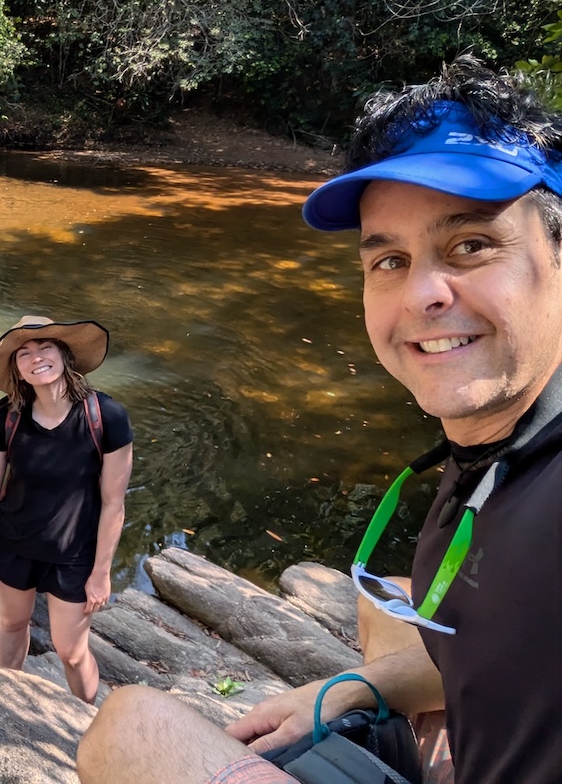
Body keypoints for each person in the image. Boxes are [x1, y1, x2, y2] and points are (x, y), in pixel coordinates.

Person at [76, 57, 562, 784]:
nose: (425, 291)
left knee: (131, 728)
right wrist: (350, 690)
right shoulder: (487, 458)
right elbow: (483, 638)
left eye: (472, 244)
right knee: (390, 601)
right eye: (389, 259)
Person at [0, 314, 134, 703]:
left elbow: (113, 503)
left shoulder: (106, 417)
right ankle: (6, 697)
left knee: (72, 652)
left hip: (75, 554)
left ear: (64, 355)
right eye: (24, 353)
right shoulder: (4, 416)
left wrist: (101, 573)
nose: (36, 357)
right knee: (12, 623)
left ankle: (85, 718)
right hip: (14, 545)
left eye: (45, 347)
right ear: (16, 369)